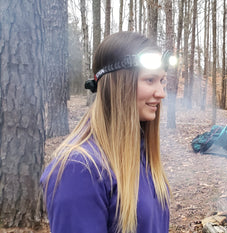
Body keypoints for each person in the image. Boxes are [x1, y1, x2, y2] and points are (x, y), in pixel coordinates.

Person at [41, 31, 172, 233]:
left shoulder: (140, 153)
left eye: (162, 81)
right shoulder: (79, 170)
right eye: (149, 80)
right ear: (118, 84)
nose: (161, 93)